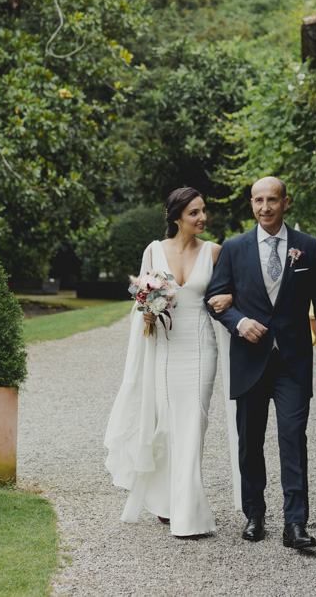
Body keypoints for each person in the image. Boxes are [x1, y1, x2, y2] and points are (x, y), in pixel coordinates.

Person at [206, 176, 316, 550]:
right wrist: (238, 322)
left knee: (293, 438)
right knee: (250, 441)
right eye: (258, 200)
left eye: (272, 200)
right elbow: (215, 298)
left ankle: (295, 523)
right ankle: (254, 514)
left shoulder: (308, 248)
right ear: (251, 204)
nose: (265, 207)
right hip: (249, 360)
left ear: (285, 203)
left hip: (293, 361)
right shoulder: (234, 248)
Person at [104, 187, 238, 537]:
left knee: (193, 425)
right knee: (165, 427)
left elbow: (227, 292)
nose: (202, 218)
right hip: (164, 347)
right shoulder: (154, 251)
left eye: (203, 211)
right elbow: (141, 300)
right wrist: (146, 313)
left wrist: (229, 296)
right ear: (177, 217)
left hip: (199, 347)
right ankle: (165, 500)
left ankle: (189, 512)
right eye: (195, 212)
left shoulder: (214, 251)